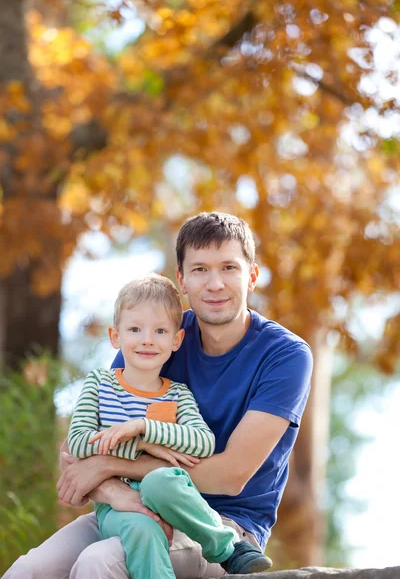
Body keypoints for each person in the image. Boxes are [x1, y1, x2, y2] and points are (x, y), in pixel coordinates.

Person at [4, 211, 313, 579]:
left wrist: (112, 465)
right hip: (127, 503)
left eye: (228, 267)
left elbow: (230, 476)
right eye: (200, 270)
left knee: (99, 563)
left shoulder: (285, 356)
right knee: (28, 570)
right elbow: (79, 453)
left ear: (251, 275)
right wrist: (117, 492)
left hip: (221, 527)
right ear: (181, 280)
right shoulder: (158, 334)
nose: (215, 283)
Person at [66, 273, 273, 578]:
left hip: (173, 507)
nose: (147, 339)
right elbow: (79, 442)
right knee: (142, 529)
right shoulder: (99, 384)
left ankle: (227, 548)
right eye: (135, 329)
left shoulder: (178, 394)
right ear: (115, 336)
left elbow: (203, 442)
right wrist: (141, 445)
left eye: (160, 330)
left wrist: (144, 428)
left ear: (176, 340)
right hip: (117, 508)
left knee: (160, 480)